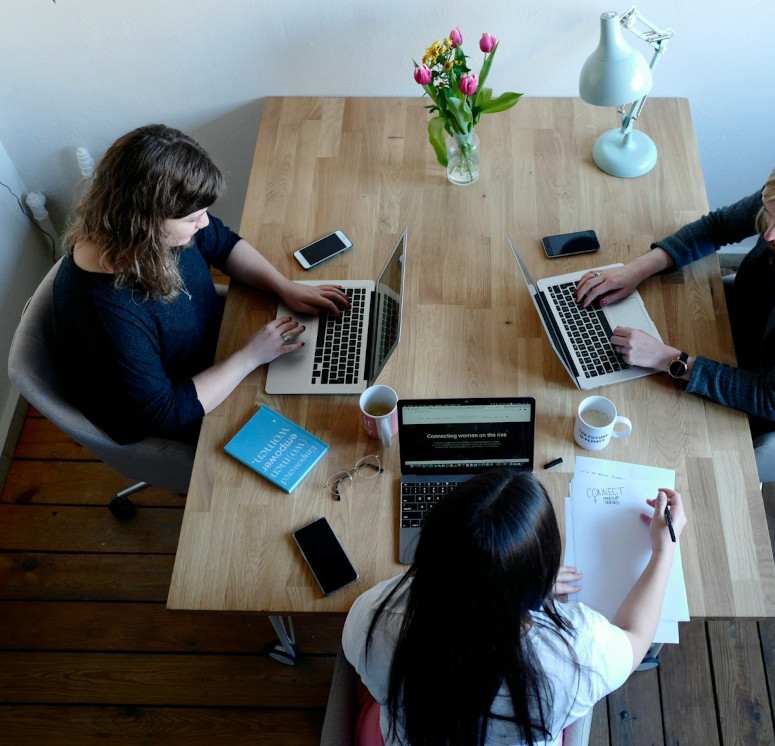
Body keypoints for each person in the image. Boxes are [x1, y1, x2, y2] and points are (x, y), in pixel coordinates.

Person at [341, 468, 686, 745]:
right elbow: (635, 637)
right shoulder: (578, 652)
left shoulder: (372, 615)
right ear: (542, 573)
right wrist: (663, 549)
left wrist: (507, 582)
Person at [576, 127, 775, 432]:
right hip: (740, 335)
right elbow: (718, 227)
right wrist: (637, 269)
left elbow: (773, 399)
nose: (770, 234)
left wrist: (666, 358)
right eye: (768, 212)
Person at [51, 124, 349, 444]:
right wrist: (250, 357)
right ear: (145, 223)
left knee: (325, 380)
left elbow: (221, 243)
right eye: (193, 219)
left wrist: (282, 285)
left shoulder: (144, 235)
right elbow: (164, 412)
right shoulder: (106, 314)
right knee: (318, 423)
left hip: (218, 345)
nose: (204, 223)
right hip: (184, 404)